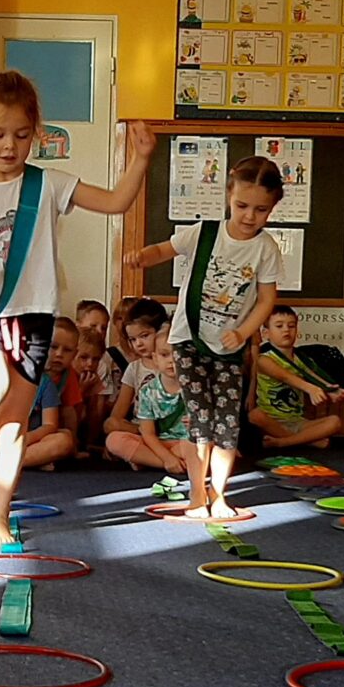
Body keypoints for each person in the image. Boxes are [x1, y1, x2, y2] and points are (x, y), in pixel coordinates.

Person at [0, 70, 153, 547]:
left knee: (14, 425)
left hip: (32, 316)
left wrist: (140, 159)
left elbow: (116, 202)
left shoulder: (48, 184)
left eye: (21, 135)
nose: (9, 146)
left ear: (36, 133)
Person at [127, 156, 285, 519]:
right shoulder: (205, 233)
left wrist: (243, 332)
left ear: (272, 207)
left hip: (230, 349)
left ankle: (220, 495)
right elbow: (165, 249)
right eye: (242, 206)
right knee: (199, 420)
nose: (249, 216)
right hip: (189, 341)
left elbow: (266, 299)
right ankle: (197, 494)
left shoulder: (266, 248)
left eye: (260, 210)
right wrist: (143, 257)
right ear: (229, 195)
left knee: (227, 424)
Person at [0, 319, 81, 472]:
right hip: (2, 437)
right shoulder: (7, 376)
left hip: (34, 440)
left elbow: (50, 425)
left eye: (66, 350)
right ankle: (32, 460)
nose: (59, 354)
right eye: (53, 347)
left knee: (64, 440)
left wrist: (26, 438)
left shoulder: (48, 384)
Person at [105, 329, 197, 478]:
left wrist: (197, 424)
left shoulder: (196, 388)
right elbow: (148, 434)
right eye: (164, 355)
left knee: (203, 446)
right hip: (158, 443)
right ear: (155, 358)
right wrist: (167, 458)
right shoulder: (148, 391)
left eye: (177, 355)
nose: (171, 361)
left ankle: (149, 461)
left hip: (185, 443)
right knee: (114, 440)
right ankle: (172, 464)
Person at [252, 305, 344, 448]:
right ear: (266, 333)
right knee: (255, 416)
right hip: (272, 420)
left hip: (296, 421)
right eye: (279, 326)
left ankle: (284, 441)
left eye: (291, 326)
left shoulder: (301, 359)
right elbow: (285, 377)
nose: (286, 330)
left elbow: (314, 377)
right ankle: (308, 441)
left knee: (335, 421)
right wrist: (310, 389)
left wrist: (330, 390)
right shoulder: (264, 359)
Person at [100, 298, 176, 470]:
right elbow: (118, 413)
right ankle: (167, 461)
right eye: (133, 339)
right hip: (141, 430)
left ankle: (148, 459)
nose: (139, 344)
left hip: (172, 432)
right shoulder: (134, 368)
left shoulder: (173, 365)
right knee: (112, 430)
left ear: (161, 330)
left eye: (144, 336)